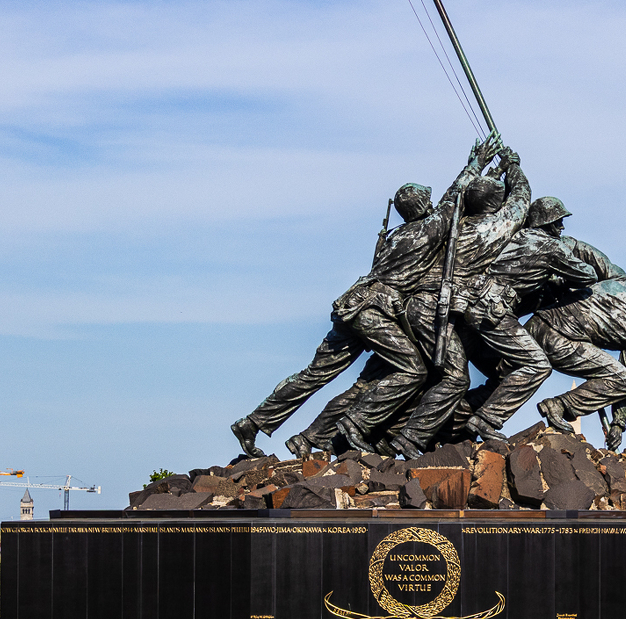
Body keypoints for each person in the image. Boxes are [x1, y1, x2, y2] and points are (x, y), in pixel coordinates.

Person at [230, 139, 496, 457]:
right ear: (423, 207)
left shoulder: (397, 235)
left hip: (352, 305)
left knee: (314, 375)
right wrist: (476, 164)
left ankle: (253, 422)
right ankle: (356, 424)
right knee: (413, 370)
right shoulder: (427, 230)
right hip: (375, 311)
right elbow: (453, 198)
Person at [386, 148, 530, 456]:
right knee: (455, 377)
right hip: (432, 309)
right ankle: (409, 437)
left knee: (443, 374)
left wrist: (482, 169)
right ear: (495, 205)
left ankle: (427, 428)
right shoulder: (492, 228)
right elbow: (521, 200)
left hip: (421, 306)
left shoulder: (449, 222)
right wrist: (513, 167)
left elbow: (458, 195)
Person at [456, 195, 606, 441]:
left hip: (471, 305)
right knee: (537, 365)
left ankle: (453, 421)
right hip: (493, 310)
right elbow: (587, 275)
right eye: (558, 222)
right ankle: (484, 420)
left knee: (496, 371)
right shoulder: (551, 247)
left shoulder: (515, 236)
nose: (561, 228)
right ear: (546, 223)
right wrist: (559, 271)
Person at [528, 273, 626, 451]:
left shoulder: (616, 286)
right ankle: (559, 405)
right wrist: (618, 424)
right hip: (559, 341)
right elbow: (625, 376)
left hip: (534, 324)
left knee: (498, 372)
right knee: (625, 382)